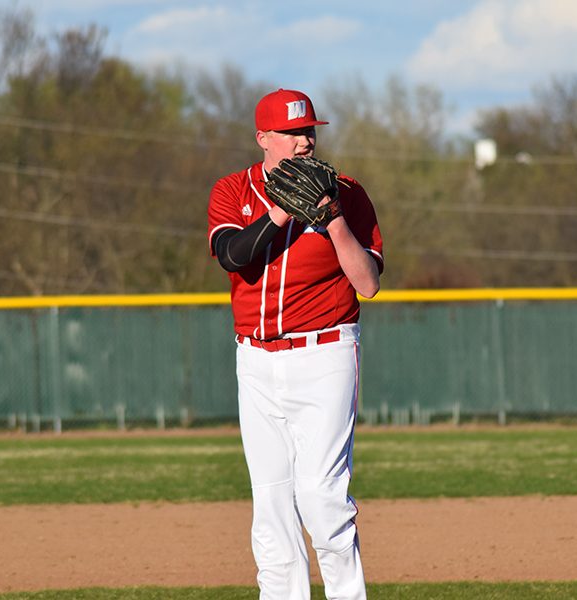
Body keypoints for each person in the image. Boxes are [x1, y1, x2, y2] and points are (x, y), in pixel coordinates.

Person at [207, 88, 383, 600]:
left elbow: (367, 284)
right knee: (272, 506)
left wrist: (331, 219)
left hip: (325, 353)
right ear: (264, 138)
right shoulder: (232, 189)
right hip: (256, 360)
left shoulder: (346, 193)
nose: (305, 142)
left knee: (322, 498)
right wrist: (283, 212)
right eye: (291, 133)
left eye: (309, 131)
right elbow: (233, 255)